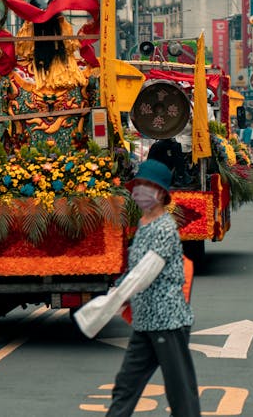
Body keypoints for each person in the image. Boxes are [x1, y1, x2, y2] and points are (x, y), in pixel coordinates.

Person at [104, 159, 200, 417]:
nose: (141, 191)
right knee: (126, 386)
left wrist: (113, 299)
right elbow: (134, 270)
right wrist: (119, 291)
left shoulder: (165, 228)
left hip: (168, 322)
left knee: (180, 393)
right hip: (145, 321)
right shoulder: (144, 225)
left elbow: (144, 273)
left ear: (161, 194)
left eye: (148, 186)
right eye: (139, 185)